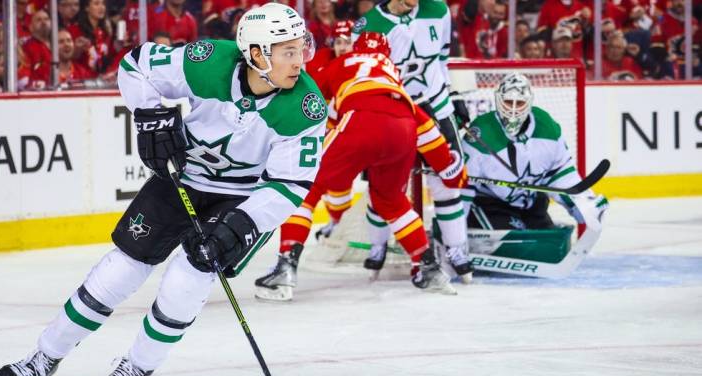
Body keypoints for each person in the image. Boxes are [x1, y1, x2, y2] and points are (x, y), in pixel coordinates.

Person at [0, 3, 325, 376]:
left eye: (301, 47)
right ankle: (43, 357)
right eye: (287, 51)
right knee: (119, 270)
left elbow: (289, 185)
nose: (300, 61)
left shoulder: (306, 106)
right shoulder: (208, 63)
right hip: (182, 178)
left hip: (242, 199)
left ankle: (137, 364)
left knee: (187, 278)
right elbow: (136, 66)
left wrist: (241, 224)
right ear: (256, 54)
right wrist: (150, 115)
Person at [254, 31, 465, 301]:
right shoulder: (391, 72)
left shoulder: (343, 63)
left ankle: (285, 267)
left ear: (355, 48)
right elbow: (422, 122)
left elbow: (307, 96)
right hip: (404, 126)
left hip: (360, 119)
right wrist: (448, 168)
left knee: (306, 186)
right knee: (391, 199)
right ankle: (428, 267)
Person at [353, 0, 472, 282]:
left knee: (447, 183)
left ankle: (457, 250)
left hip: (437, 109)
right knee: (384, 189)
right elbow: (364, 79)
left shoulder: (438, 11)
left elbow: (442, 61)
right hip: (394, 114)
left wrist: (452, 96)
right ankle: (378, 245)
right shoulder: (368, 27)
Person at [460, 73, 607, 257]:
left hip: (532, 204)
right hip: (491, 205)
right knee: (513, 250)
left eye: (519, 103)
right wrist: (454, 236)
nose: (513, 110)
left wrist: (583, 203)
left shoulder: (547, 128)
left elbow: (560, 173)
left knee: (547, 248)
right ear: (498, 100)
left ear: (529, 102)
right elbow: (462, 187)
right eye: (508, 102)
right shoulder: (480, 133)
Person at [22, 9, 53, 89]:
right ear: (31, 27)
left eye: (46, 19)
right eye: (39, 20)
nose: (43, 22)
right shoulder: (27, 47)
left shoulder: (58, 43)